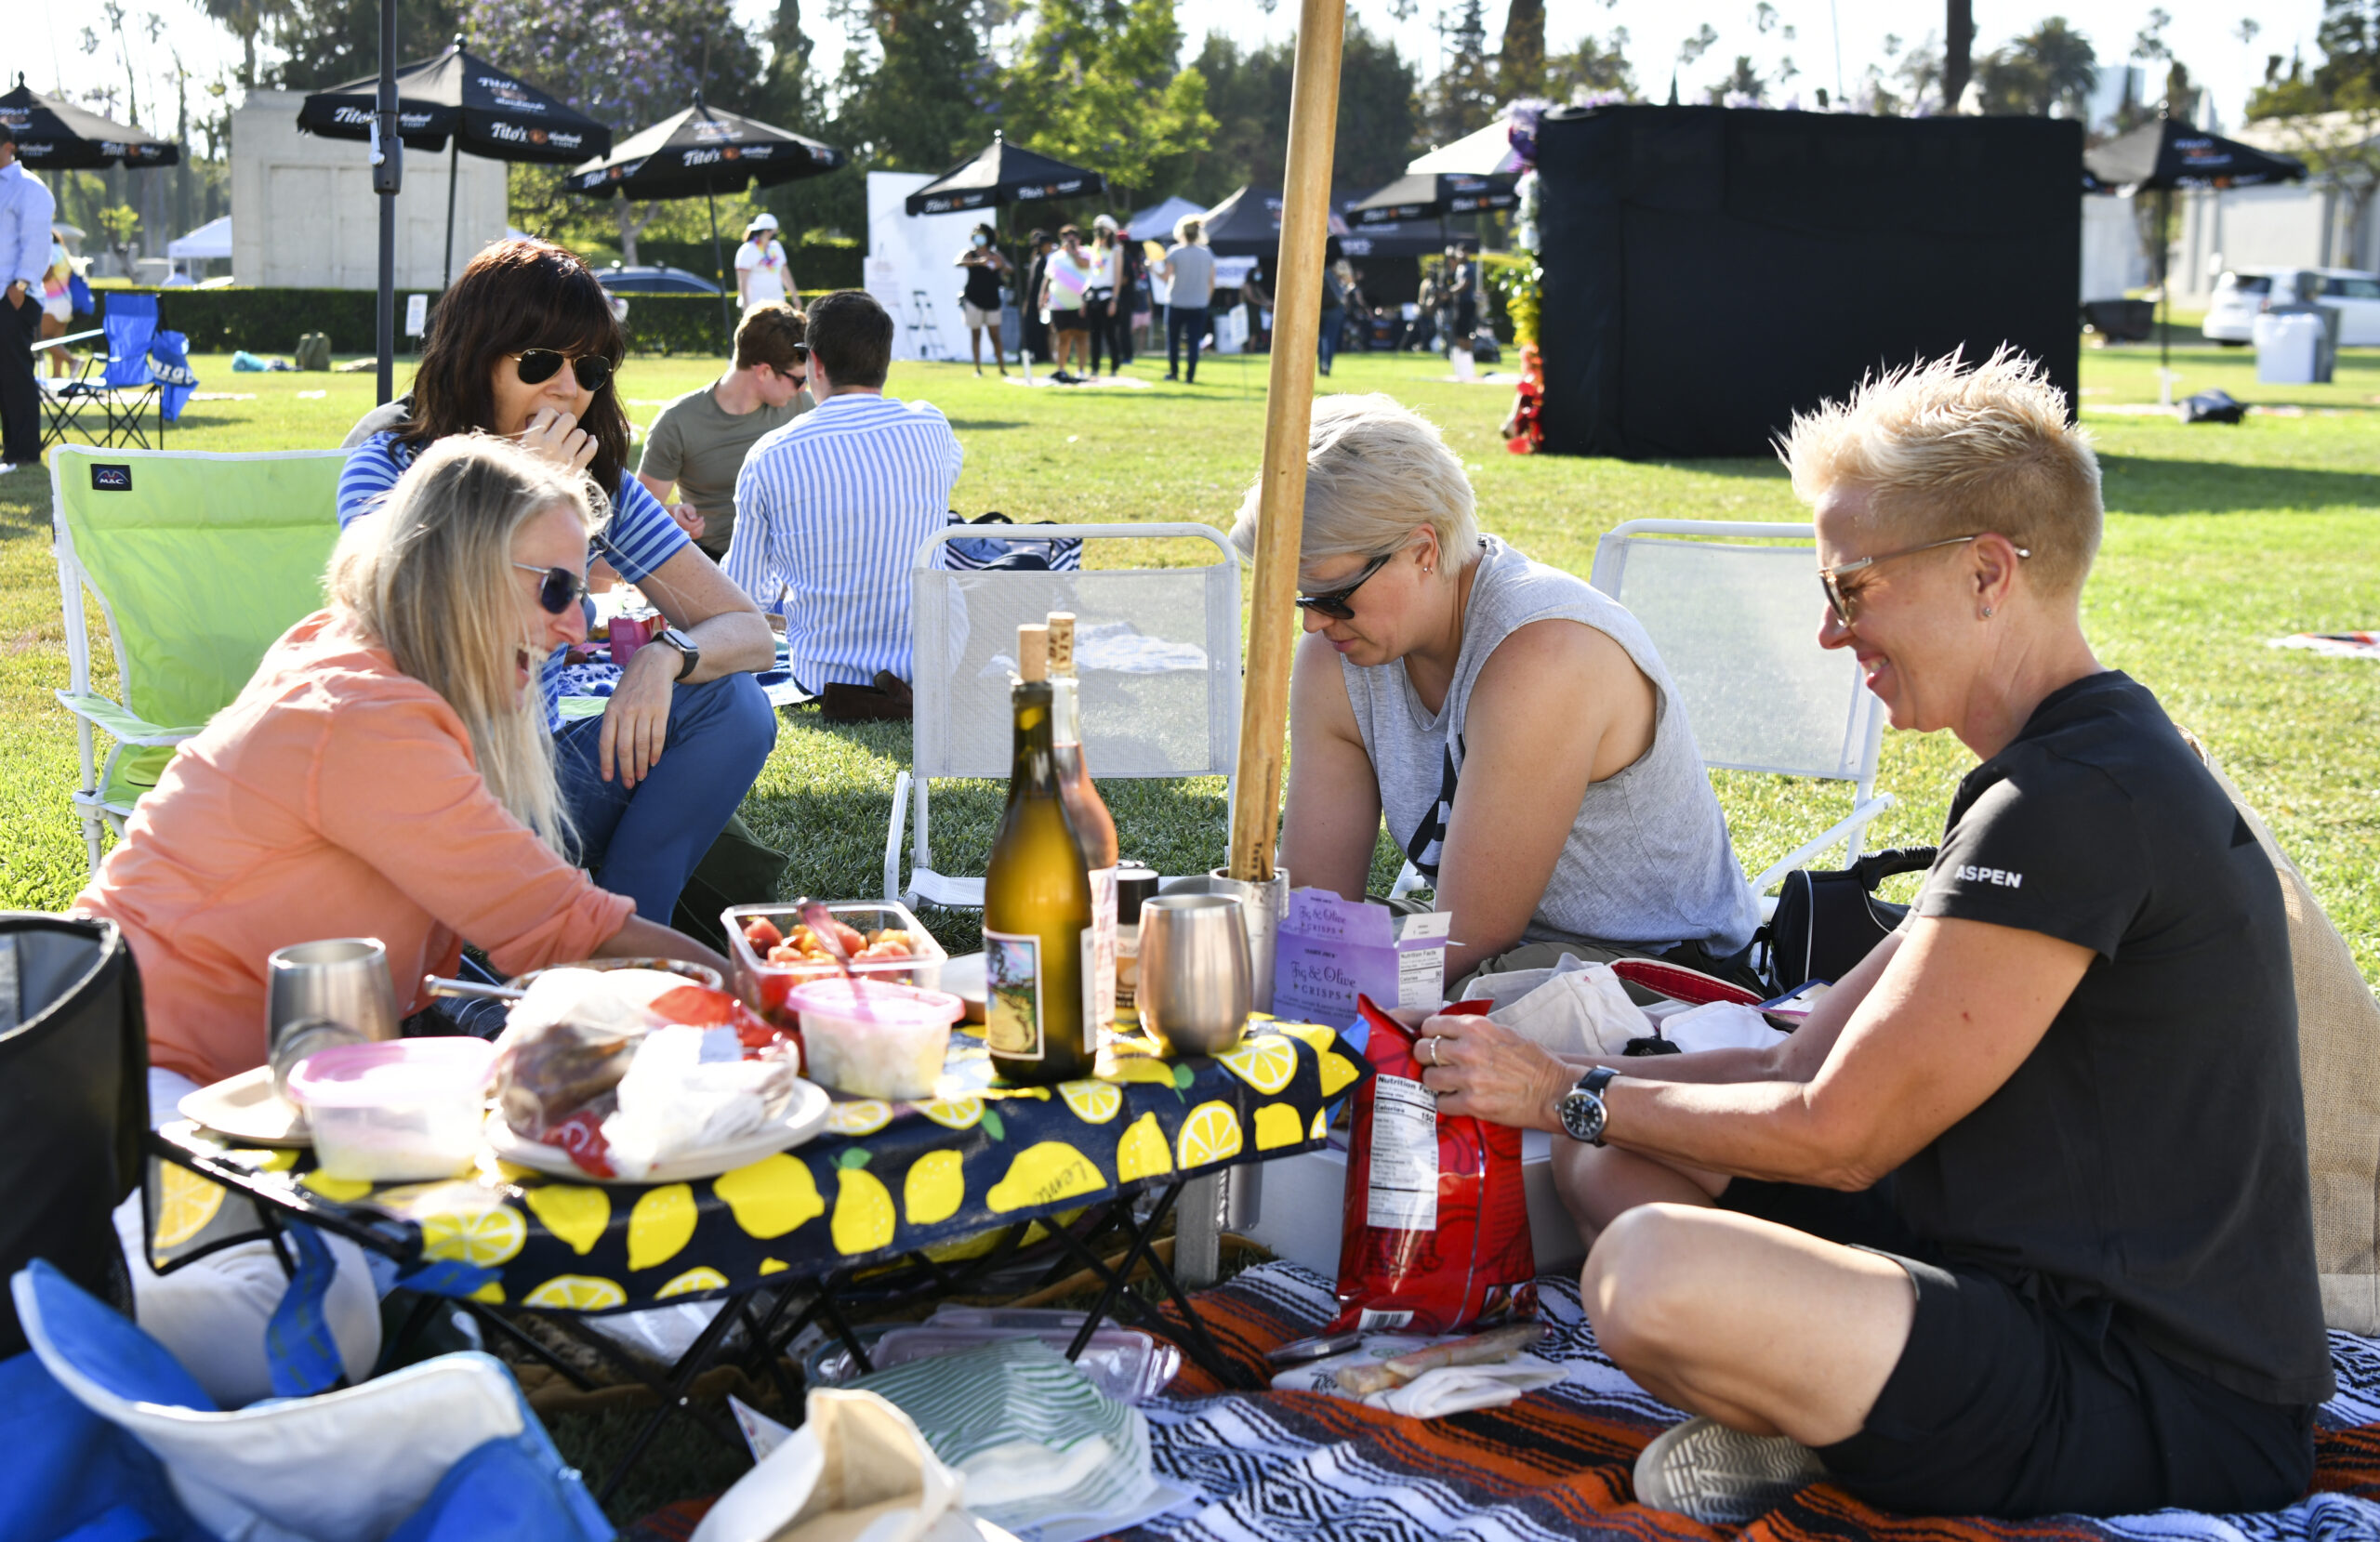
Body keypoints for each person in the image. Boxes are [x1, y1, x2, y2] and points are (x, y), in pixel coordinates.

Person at [1406, 351, 2334, 1525]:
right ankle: (1825, 1408)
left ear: (1987, 574)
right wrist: (1586, 1095)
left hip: (2157, 1392)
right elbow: (1801, 1066)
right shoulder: (2067, 768)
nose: (1831, 634)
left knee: (1646, 1273)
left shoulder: (2076, 802)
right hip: (2006, 1276)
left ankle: (1832, 1422)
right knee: (1619, 1165)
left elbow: (1838, 1133)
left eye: (1851, 590)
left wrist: (1562, 1095)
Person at [76, 435, 730, 1408]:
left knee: (523, 1155)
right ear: (462, 573)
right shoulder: (359, 711)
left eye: (582, 588)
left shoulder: (364, 661)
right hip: (141, 1077)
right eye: (555, 589)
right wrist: (762, 988)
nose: (579, 625)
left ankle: (449, 1298)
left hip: (286, 1075)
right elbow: (566, 928)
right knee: (296, 1324)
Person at [1250, 393, 1760, 991]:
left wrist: (1317, 987)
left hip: (1662, 970)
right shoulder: (1338, 656)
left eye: (1332, 596)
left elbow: (1464, 943)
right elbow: (1319, 906)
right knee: (1270, 949)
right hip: (1499, 948)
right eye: (1298, 597)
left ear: (1423, 549)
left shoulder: (1544, 654)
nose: (1312, 622)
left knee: (1409, 1015)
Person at [338, 237, 778, 923]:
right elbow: (414, 636)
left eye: (590, 367)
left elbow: (749, 632)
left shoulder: (598, 486)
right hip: (427, 795)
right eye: (541, 361)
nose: (568, 389)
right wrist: (520, 495)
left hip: (542, 784)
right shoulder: (390, 467)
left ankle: (623, 938)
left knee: (737, 706)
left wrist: (667, 658)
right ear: (475, 357)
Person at [726, 289, 962, 693]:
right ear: (884, 359)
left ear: (814, 362)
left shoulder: (770, 454)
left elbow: (744, 592)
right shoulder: (932, 427)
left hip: (824, 675)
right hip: (936, 664)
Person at [636, 304, 814, 561]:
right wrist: (673, 515)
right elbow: (638, 515)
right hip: (715, 565)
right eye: (800, 380)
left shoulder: (804, 408)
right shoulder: (678, 422)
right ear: (764, 371)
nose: (803, 388)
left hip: (792, 563)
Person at [0, 119, 57, 474]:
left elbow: (38, 242)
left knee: (16, 373)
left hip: (14, 297)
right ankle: (11, 451)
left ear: (9, 146)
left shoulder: (28, 188)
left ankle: (23, 452)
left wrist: (19, 288)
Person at [1157, 215, 1215, 384]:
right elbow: (1211, 281)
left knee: (1173, 341)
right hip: (1199, 304)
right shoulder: (1207, 253)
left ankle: (1174, 373)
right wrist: (1206, 300)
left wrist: (1151, 269)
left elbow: (1165, 277)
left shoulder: (1175, 252)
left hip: (1176, 303)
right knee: (1193, 342)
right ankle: (1190, 376)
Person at [1038, 225, 1095, 383]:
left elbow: (1084, 265)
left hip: (1080, 304)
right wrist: (1042, 298)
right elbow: (1047, 278)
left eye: (1073, 237)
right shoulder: (1055, 257)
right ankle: (1061, 369)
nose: (1070, 240)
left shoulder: (1086, 253)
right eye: (1066, 238)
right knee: (1062, 338)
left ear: (1079, 239)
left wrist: (1073, 253)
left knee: (1081, 337)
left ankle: (1081, 370)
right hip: (1059, 305)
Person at [954, 222, 1010, 377]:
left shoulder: (996, 254)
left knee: (995, 335)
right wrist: (978, 262)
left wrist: (1001, 264)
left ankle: (1002, 368)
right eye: (976, 233)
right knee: (976, 334)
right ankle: (978, 369)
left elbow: (1009, 268)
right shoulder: (969, 254)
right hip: (973, 299)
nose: (978, 236)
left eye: (981, 233)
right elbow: (957, 262)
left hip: (992, 299)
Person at [734, 212, 796, 313]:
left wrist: (795, 295)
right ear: (767, 231)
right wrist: (746, 306)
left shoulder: (776, 247)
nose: (776, 234)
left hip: (778, 303)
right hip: (756, 305)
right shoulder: (747, 250)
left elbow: (784, 273)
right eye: (774, 231)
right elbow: (742, 281)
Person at [1084, 218, 1123, 377]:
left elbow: (1118, 277)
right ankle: (1095, 367)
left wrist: (1114, 299)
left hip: (1108, 296)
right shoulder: (1093, 250)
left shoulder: (1116, 250)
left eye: (1103, 228)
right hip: (1093, 296)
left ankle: (1114, 367)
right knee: (1095, 335)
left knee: (1110, 334)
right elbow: (1089, 275)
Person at [40, 231, 76, 378]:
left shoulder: (51, 251)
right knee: (57, 342)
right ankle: (57, 379)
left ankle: (72, 360)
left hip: (52, 303)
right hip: (66, 302)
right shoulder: (64, 251)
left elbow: (47, 275)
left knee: (42, 339)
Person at [1020, 230, 1054, 366]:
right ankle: (1035, 355)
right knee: (1034, 330)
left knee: (1040, 329)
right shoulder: (1039, 260)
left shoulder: (1041, 260)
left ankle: (1042, 355)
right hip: (1035, 301)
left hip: (1038, 301)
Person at [1316, 235, 1345, 376]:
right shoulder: (1340, 264)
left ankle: (1320, 365)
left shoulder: (1317, 262)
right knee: (1330, 337)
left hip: (1318, 305)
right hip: (1335, 305)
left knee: (1319, 338)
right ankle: (1326, 365)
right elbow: (1348, 282)